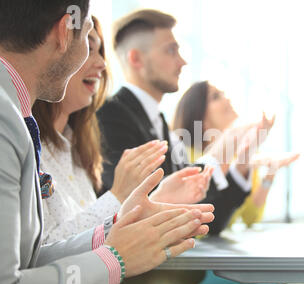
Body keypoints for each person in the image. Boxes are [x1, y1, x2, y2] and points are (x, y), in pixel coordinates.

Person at [0, 0, 214, 284]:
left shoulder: (20, 118)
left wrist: (114, 229)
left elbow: (29, 263)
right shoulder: (5, 120)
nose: (101, 63)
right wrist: (114, 259)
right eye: (88, 40)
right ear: (64, 32)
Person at [97, 9, 273, 284]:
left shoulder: (159, 123)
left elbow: (210, 221)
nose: (182, 61)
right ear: (136, 59)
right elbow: (127, 210)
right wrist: (223, 147)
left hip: (174, 277)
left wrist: (241, 159)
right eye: (171, 50)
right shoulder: (112, 116)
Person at [33, 16, 213, 245]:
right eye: (88, 48)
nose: (101, 64)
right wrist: (122, 194)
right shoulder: (109, 117)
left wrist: (159, 198)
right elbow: (42, 253)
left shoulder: (79, 147)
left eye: (100, 52)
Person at [173, 81, 299, 284]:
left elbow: (250, 217)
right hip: (195, 264)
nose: (227, 99)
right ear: (199, 116)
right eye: (215, 97)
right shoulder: (186, 156)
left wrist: (269, 174)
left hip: (220, 257)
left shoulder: (240, 160)